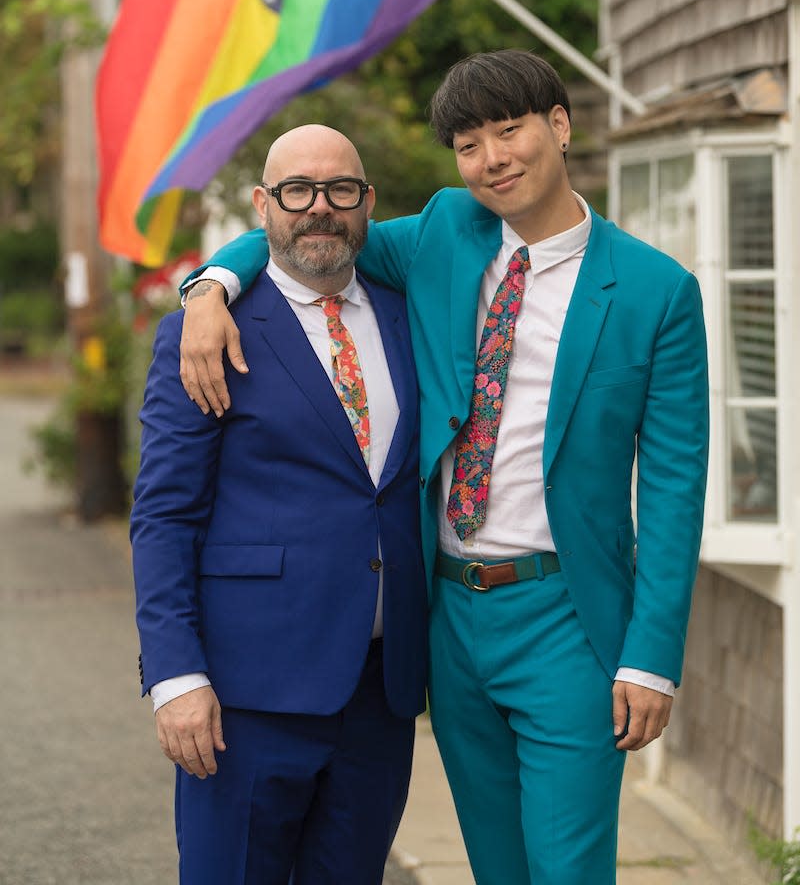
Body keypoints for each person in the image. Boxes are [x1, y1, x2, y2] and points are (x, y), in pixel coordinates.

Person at [178, 50, 709, 885]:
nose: (493, 157)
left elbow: (677, 489)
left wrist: (652, 657)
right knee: (496, 865)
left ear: (560, 126)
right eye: (469, 144)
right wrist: (206, 291)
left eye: (510, 129)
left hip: (567, 614)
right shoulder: (444, 237)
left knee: (567, 868)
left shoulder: (655, 291)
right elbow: (304, 228)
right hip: (451, 620)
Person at [130, 125, 428, 885]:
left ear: (368, 204)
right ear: (264, 206)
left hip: (379, 697)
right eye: (298, 191)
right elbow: (165, 515)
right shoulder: (204, 334)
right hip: (246, 696)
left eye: (341, 191)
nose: (319, 209)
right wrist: (176, 677)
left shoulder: (411, 314)